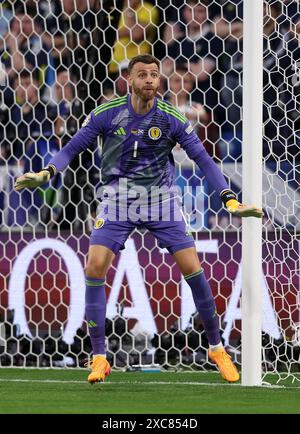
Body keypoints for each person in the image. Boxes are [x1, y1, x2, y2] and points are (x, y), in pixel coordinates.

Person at [15, 54, 263, 384]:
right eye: (142, 74)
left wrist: (229, 198)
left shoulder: (172, 118)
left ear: (160, 81)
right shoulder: (107, 113)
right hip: (117, 200)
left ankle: (217, 348)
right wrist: (48, 172)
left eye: (154, 75)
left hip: (160, 200)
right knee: (94, 266)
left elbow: (203, 159)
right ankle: (100, 357)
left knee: (192, 267)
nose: (149, 80)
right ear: (129, 80)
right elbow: (72, 148)